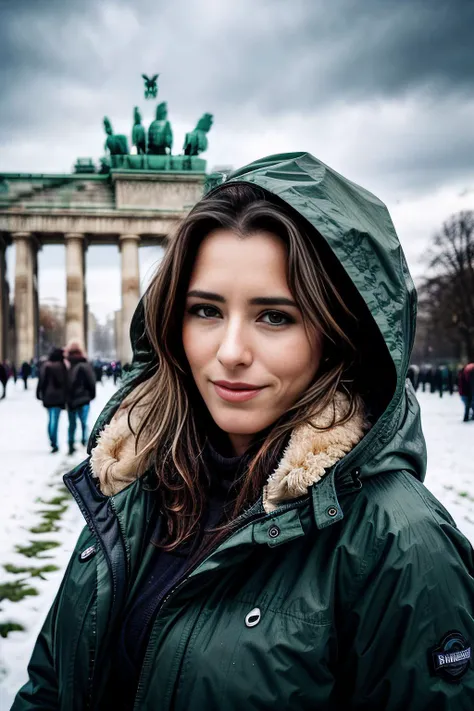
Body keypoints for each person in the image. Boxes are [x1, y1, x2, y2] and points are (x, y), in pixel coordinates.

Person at [12, 153, 474, 710]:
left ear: (339, 332)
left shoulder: (402, 545)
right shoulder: (132, 483)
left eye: (275, 316)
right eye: (205, 310)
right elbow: (49, 688)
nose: (230, 353)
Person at [65, 340, 96, 454]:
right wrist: (91, 396)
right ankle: (84, 441)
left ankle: (71, 443)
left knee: (72, 424)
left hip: (71, 400)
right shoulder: (84, 364)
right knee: (84, 423)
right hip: (83, 399)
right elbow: (91, 382)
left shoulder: (67, 366)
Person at [36, 347, 68, 453]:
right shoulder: (62, 366)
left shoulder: (46, 365)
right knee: (55, 420)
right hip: (59, 397)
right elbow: (65, 383)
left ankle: (52, 440)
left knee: (50, 419)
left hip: (48, 397)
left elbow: (41, 381)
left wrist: (38, 393)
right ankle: (54, 442)